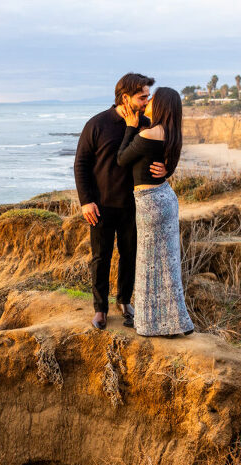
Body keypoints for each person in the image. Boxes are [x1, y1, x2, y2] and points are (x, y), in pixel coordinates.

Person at [74, 73, 167, 330]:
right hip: (101, 205)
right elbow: (81, 164)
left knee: (130, 255)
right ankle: (100, 309)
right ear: (125, 97)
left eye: (148, 96)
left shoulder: (146, 124)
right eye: (142, 97)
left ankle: (124, 301)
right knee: (101, 258)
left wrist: (166, 170)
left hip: (135, 204)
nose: (147, 101)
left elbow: (160, 156)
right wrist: (86, 201)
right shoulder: (97, 124)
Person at [116, 87, 195, 337]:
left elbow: (122, 159)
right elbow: (166, 166)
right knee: (168, 265)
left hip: (149, 202)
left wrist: (130, 126)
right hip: (166, 198)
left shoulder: (148, 133)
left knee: (148, 263)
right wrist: (168, 171)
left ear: (160, 105)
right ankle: (174, 323)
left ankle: (149, 322)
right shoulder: (172, 134)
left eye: (152, 99)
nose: (148, 102)